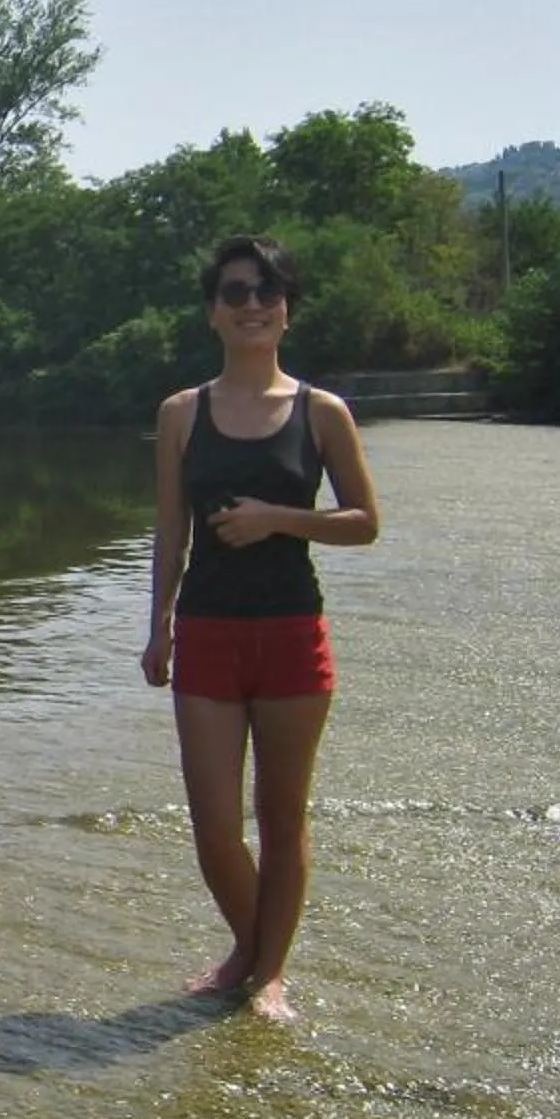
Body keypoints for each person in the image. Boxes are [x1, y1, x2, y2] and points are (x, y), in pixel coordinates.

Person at [141, 233, 380, 1022]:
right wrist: (158, 626)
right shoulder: (182, 413)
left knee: (282, 819)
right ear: (212, 311)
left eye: (267, 292)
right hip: (207, 631)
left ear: (287, 310)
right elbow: (170, 532)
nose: (253, 305)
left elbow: (364, 521)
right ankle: (252, 948)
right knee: (214, 826)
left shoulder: (322, 412)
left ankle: (266, 972)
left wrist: (278, 518)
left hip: (290, 633)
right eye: (236, 292)